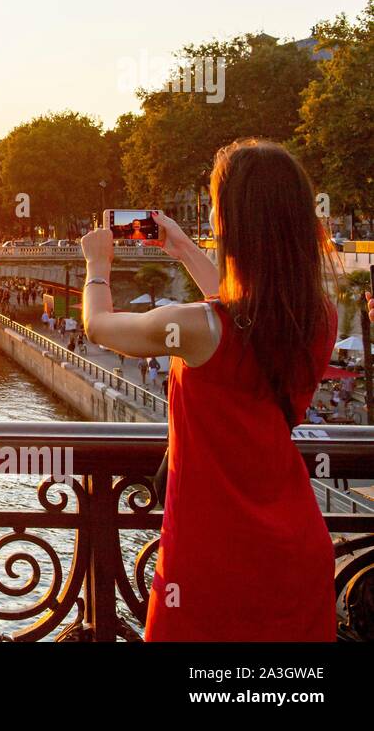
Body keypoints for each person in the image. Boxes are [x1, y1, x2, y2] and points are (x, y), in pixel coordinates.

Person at [81, 138, 338, 641]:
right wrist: (179, 247)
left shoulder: (196, 328)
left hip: (209, 557)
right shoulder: (317, 316)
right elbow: (242, 310)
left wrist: (96, 267)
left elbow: (99, 327)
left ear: (230, 222)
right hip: (296, 551)